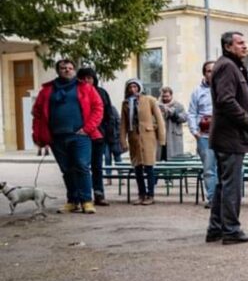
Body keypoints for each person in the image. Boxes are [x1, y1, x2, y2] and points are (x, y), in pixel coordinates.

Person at [31, 59, 104, 214]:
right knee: (67, 169)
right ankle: (72, 201)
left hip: (80, 136)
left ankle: (86, 201)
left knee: (82, 166)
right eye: (63, 68)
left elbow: (98, 108)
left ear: (74, 71)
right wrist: (38, 135)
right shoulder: (47, 90)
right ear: (58, 70)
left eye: (70, 68)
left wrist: (87, 129)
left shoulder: (85, 88)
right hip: (56, 137)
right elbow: (37, 113)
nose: (67, 70)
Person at [207, 31, 248, 245]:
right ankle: (230, 230)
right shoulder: (227, 66)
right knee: (231, 185)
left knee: (224, 183)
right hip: (230, 136)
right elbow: (226, 100)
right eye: (240, 43)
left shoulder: (229, 65)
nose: (245, 46)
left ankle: (217, 228)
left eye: (244, 42)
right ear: (228, 46)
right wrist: (247, 121)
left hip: (227, 135)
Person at [76, 67, 119, 207]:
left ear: (94, 79)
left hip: (98, 135)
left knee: (97, 166)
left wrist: (107, 133)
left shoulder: (101, 92)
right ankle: (81, 195)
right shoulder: (75, 92)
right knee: (81, 166)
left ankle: (99, 194)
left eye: (89, 78)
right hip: (80, 134)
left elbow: (109, 115)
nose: (87, 81)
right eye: (83, 78)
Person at [119, 79, 166, 206]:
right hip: (133, 137)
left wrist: (161, 137)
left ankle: (150, 195)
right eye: (130, 87)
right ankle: (141, 194)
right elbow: (123, 124)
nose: (133, 89)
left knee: (149, 167)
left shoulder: (150, 100)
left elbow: (159, 119)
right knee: (137, 168)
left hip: (148, 136)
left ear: (139, 87)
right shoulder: (126, 103)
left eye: (135, 86)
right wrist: (123, 141)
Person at [188, 61, 218, 208]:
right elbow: (192, 113)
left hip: (222, 134)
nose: (211, 73)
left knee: (224, 168)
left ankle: (223, 198)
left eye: (214, 70)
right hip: (204, 135)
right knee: (209, 168)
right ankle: (212, 198)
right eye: (208, 71)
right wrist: (194, 131)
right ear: (204, 73)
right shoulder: (197, 91)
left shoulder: (224, 88)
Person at [157, 87, 187, 161]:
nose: (165, 98)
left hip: (173, 136)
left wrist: (174, 114)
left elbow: (184, 118)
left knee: (174, 159)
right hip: (160, 136)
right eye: (163, 96)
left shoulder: (178, 105)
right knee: (158, 158)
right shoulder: (156, 106)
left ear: (171, 95)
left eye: (167, 96)